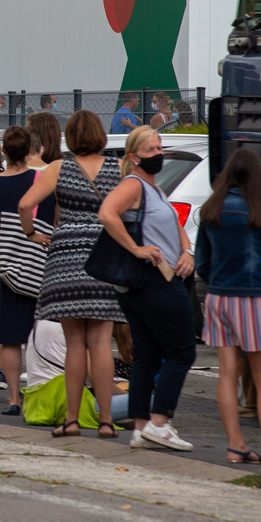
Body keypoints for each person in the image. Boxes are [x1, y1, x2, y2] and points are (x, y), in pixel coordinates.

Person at [20, 109, 124, 438]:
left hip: (65, 259)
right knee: (101, 342)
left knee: (75, 342)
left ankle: (73, 420)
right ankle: (106, 421)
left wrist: (31, 234)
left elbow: (25, 205)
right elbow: (136, 207)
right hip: (105, 257)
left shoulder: (58, 168)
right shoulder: (119, 168)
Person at [99, 126, 198, 451]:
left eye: (159, 148)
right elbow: (107, 213)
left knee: (148, 355)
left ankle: (141, 427)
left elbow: (173, 224)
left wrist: (186, 251)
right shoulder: (134, 184)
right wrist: (136, 249)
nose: (158, 154)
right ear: (133, 157)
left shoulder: (155, 189)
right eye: (151, 150)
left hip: (155, 280)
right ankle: (160, 421)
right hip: (152, 280)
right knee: (182, 352)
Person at [196, 148, 261, 466]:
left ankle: (236, 446)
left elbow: (202, 262)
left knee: (226, 374)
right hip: (251, 296)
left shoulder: (211, 210)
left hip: (219, 297)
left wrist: (215, 285)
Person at [0, 127, 54, 413]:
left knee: (9, 336)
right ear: (32, 149)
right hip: (41, 263)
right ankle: (41, 392)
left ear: (4, 152)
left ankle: (13, 398)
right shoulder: (44, 180)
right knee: (41, 332)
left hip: (7, 266)